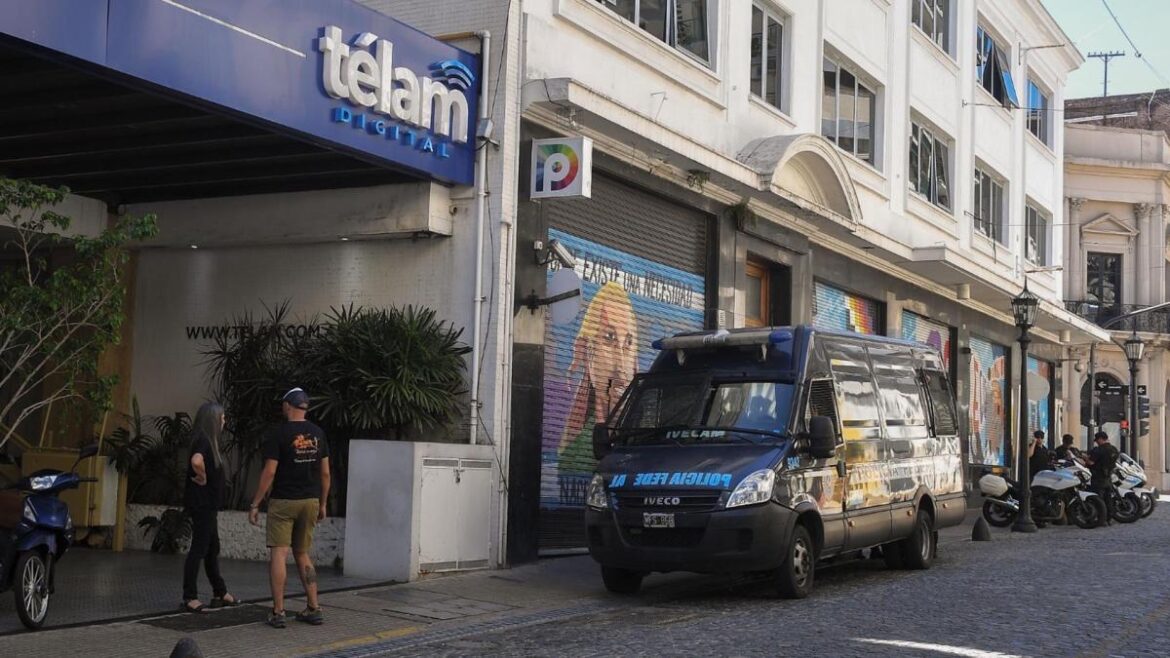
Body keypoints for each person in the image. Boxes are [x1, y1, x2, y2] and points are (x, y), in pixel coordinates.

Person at [249, 388, 331, 628]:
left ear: (288, 406)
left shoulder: (279, 434)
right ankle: (314, 607)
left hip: (284, 501)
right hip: (310, 501)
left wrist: (256, 502)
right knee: (303, 553)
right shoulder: (318, 433)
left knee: (279, 553)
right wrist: (323, 503)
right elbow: (325, 473)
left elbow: (270, 471)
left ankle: (278, 611)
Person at [182, 402, 240, 612]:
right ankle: (190, 596)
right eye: (222, 417)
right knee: (200, 548)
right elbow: (196, 461)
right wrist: (203, 476)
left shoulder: (208, 441)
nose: (224, 421)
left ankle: (220, 591)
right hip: (203, 504)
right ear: (213, 420)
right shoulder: (204, 441)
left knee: (211, 547)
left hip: (208, 505)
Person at [1083, 430, 1119, 525]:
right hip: (1108, 477)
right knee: (1108, 499)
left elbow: (1091, 462)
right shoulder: (1114, 449)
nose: (1096, 442)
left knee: (1098, 499)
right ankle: (1109, 519)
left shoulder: (1099, 450)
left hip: (1098, 477)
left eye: (1097, 440)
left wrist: (1085, 458)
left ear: (1100, 439)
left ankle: (1100, 519)